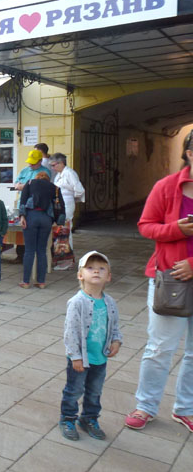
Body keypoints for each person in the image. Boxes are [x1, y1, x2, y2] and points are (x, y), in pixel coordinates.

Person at [126, 131, 193, 433]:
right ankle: (146, 406)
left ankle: (186, 409)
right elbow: (146, 226)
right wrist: (177, 230)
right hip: (169, 280)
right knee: (159, 348)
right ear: (190, 154)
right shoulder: (166, 187)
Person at [60, 251, 122, 441]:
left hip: (100, 358)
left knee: (95, 391)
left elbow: (114, 326)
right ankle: (68, 419)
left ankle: (89, 418)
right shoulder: (77, 303)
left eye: (101, 268)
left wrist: (116, 341)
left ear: (108, 276)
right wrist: (75, 356)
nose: (96, 271)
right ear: (80, 275)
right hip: (80, 359)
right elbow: (70, 332)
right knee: (74, 390)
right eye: (90, 268)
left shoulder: (110, 302)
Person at [19, 170, 65, 289]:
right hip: (46, 219)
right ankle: (41, 282)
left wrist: (22, 216)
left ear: (37, 177)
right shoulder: (55, 188)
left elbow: (23, 200)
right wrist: (58, 222)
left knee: (29, 250)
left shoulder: (30, 183)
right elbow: (61, 206)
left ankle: (26, 281)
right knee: (42, 250)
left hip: (31, 217)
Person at [50, 152, 85, 248]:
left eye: (53, 165)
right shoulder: (58, 174)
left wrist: (71, 198)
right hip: (59, 202)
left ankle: (67, 251)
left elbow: (79, 190)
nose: (52, 168)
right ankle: (61, 250)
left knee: (65, 226)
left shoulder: (70, 173)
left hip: (67, 202)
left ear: (61, 163)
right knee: (60, 227)